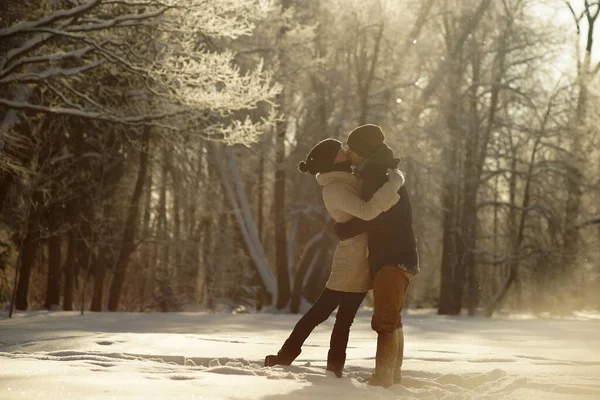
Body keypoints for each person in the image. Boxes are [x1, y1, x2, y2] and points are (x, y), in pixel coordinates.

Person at [264, 138, 405, 378]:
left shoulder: (348, 180)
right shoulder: (334, 188)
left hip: (362, 258)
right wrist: (395, 183)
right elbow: (368, 211)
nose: (346, 150)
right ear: (331, 161)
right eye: (340, 151)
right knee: (321, 315)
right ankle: (294, 357)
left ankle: (327, 366)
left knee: (340, 318)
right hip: (351, 261)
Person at [334, 124, 420, 387]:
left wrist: (345, 229)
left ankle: (383, 378)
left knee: (385, 321)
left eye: (353, 149)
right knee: (392, 318)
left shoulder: (377, 176)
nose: (349, 154)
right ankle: (392, 374)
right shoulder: (383, 172)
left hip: (392, 258)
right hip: (398, 256)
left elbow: (374, 216)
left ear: (364, 151)